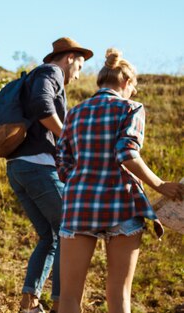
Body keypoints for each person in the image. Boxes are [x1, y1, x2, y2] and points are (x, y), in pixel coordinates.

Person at [55, 48, 184, 313]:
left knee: (68, 297)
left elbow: (62, 162)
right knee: (118, 295)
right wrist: (160, 185)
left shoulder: (75, 112)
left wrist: (82, 180)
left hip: (79, 205)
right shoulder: (131, 108)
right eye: (133, 86)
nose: (134, 92)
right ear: (125, 82)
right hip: (121, 205)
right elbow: (126, 154)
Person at [6, 37, 93, 313]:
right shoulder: (51, 72)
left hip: (18, 168)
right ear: (68, 58)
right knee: (68, 232)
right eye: (80, 64)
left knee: (50, 237)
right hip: (39, 167)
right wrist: (70, 137)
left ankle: (29, 305)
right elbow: (43, 106)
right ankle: (61, 305)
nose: (79, 73)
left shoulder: (37, 75)